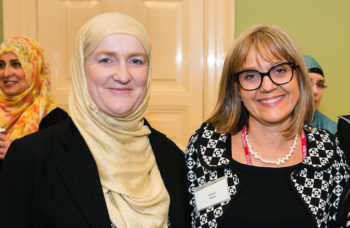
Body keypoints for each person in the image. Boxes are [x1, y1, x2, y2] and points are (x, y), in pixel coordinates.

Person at [0, 13, 189, 227]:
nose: (123, 75)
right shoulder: (31, 158)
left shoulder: (172, 158)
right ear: (81, 69)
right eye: (106, 59)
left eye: (136, 61)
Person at [185, 25, 350, 227]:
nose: (267, 86)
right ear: (236, 88)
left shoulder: (326, 150)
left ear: (299, 77)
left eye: (279, 71)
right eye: (250, 75)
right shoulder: (208, 147)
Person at [0, 36, 68, 169]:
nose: (6, 73)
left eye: (16, 64)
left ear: (35, 69)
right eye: (1, 65)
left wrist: (18, 154)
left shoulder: (56, 121)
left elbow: (64, 172)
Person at [304, 55, 337, 134]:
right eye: (308, 83)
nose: (315, 91)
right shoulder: (274, 125)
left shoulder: (334, 132)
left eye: (320, 85)